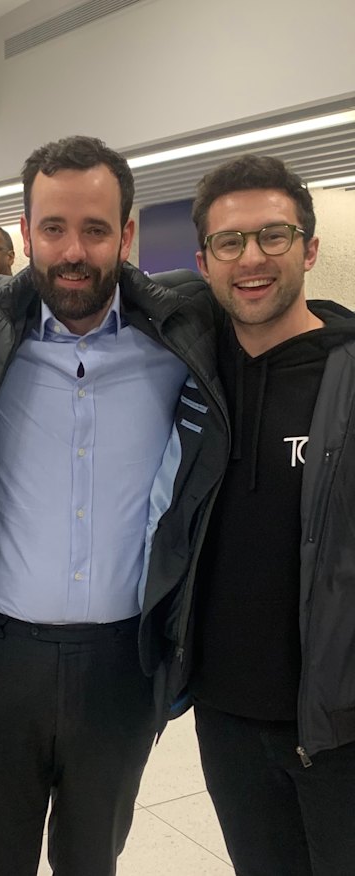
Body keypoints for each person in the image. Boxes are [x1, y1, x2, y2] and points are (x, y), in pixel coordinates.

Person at [0, 134, 222, 876]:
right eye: (53, 228)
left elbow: (276, 318)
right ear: (26, 234)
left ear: (127, 233)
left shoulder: (182, 331)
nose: (73, 250)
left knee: (94, 859)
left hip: (122, 662)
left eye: (95, 229)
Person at [153, 154, 355, 876]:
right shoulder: (189, 374)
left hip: (339, 726)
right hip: (226, 718)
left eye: (273, 235)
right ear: (203, 261)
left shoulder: (348, 369)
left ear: (309, 247)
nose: (252, 259)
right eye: (229, 242)